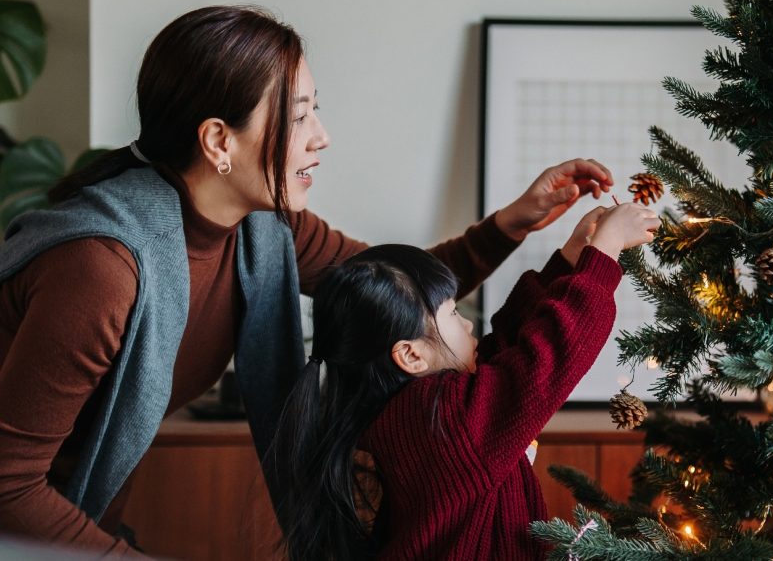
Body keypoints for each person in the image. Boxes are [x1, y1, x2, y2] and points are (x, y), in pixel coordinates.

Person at [0, 5, 616, 555]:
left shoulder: (266, 228)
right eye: (299, 117)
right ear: (219, 140)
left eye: (315, 112)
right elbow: (9, 485)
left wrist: (515, 220)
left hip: (76, 522)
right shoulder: (101, 269)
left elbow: (397, 295)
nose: (321, 137)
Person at [267, 201, 659, 560]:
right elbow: (548, 357)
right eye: (453, 314)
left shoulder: (417, 409)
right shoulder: (447, 418)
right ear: (411, 355)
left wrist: (571, 260)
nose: (468, 323)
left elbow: (503, 355)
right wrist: (604, 251)